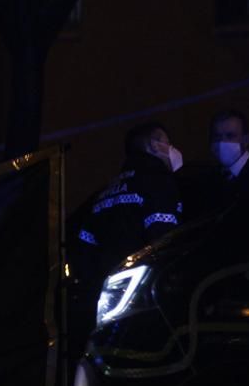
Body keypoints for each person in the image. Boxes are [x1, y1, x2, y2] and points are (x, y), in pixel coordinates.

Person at [76, 121, 183, 288]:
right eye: (167, 143)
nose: (171, 149)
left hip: (108, 291)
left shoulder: (105, 192)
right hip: (142, 289)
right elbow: (163, 239)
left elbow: (85, 249)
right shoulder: (157, 180)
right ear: (154, 145)